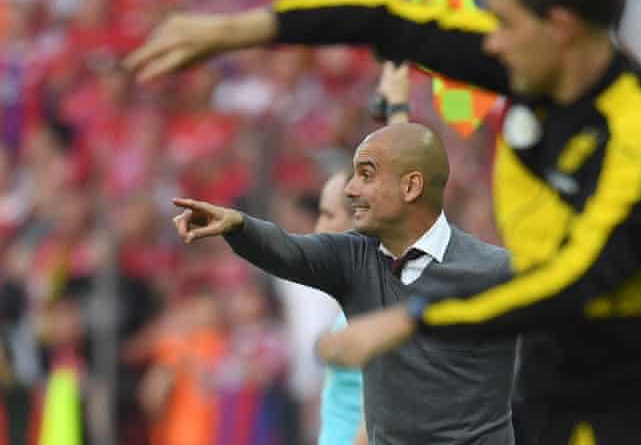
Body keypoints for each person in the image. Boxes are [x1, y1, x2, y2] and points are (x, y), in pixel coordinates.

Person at [127, 0, 641, 444]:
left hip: (631, 392)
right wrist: (235, 30)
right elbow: (384, 19)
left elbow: (572, 281)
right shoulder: (532, 65)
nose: (491, 44)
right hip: (551, 380)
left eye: (505, 23)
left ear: (562, 26)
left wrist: (411, 319)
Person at [169, 121, 518, 444]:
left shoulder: (494, 270)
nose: (351, 190)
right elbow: (289, 251)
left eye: (366, 176)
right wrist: (239, 226)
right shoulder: (354, 258)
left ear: (411, 186)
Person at [316, 62, 411, 445]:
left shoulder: (381, 299)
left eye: (327, 215)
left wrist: (401, 105)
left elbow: (381, 413)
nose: (317, 229)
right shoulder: (360, 296)